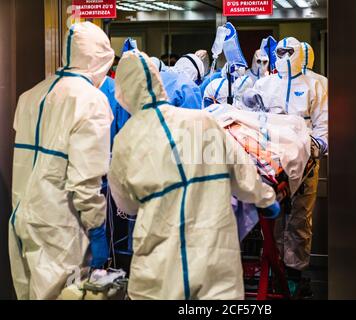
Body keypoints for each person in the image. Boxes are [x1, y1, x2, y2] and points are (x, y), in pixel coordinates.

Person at [108, 50, 279, 300]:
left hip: (158, 267)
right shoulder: (203, 122)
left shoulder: (125, 140)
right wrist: (265, 199)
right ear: (160, 83)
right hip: (213, 256)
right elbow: (242, 173)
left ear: (121, 94)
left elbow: (127, 205)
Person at [9, 22, 114, 300]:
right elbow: (85, 180)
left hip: (22, 217)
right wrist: (96, 228)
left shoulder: (30, 96)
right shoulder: (91, 101)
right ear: (100, 60)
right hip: (60, 227)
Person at [254, 37, 328, 297]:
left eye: (289, 51)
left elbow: (324, 124)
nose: (283, 56)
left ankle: (295, 274)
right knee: (272, 217)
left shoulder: (316, 84)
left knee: (299, 219)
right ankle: (276, 271)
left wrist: (315, 149)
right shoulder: (265, 84)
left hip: (305, 162)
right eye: (279, 51)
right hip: (271, 162)